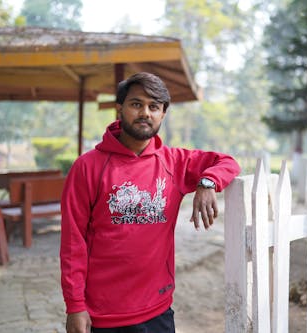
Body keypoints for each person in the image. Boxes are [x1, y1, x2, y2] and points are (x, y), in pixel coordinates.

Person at [60, 72, 240, 333]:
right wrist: (75, 305)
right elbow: (72, 243)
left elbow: (227, 162)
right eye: (136, 104)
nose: (145, 112)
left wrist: (207, 183)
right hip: (104, 315)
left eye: (154, 107)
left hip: (158, 310)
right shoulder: (87, 167)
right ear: (120, 109)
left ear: (162, 114)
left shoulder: (174, 162)